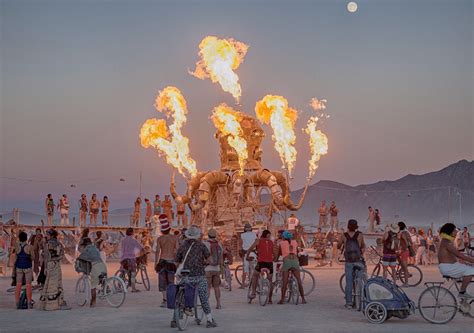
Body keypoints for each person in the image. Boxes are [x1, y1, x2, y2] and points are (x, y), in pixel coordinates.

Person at [173, 225, 217, 328]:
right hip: (199, 275)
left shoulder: (182, 245)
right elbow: (210, 260)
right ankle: (210, 320)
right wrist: (205, 262)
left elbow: (176, 261)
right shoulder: (201, 245)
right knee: (203, 297)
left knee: (179, 295)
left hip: (185, 275)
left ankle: (175, 319)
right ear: (197, 236)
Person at [437, 223, 474, 299]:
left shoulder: (447, 241)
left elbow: (454, 256)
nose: (456, 232)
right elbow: (459, 255)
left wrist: (468, 261)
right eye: (454, 230)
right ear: (450, 232)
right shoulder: (447, 242)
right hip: (448, 267)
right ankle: (462, 292)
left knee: (468, 267)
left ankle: (463, 302)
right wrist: (472, 260)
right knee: (471, 271)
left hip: (451, 265)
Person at [38, 229, 70, 310]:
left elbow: (45, 256)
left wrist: (45, 267)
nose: (46, 236)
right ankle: (58, 302)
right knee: (57, 283)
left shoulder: (47, 244)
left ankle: (49, 304)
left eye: (47, 235)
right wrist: (57, 259)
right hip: (57, 264)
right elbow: (62, 255)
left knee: (49, 283)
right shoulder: (59, 244)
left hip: (49, 264)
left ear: (51, 235)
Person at [338, 219, 365, 309]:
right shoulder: (360, 235)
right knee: (360, 280)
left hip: (349, 261)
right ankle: (360, 300)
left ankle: (349, 303)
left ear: (348, 226)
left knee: (349, 282)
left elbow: (338, 245)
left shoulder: (344, 235)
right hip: (358, 260)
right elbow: (362, 246)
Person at [276, 231, 306, 304]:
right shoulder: (295, 242)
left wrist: (276, 259)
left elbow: (279, 253)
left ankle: (282, 300)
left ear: (283, 237)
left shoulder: (281, 243)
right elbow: (297, 250)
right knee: (299, 281)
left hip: (287, 262)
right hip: (295, 261)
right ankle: (303, 299)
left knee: (285, 282)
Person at [155, 214, 178, 307]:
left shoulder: (160, 239)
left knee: (162, 282)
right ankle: (171, 299)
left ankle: (164, 300)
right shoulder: (174, 238)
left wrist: (156, 263)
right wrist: (177, 262)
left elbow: (157, 252)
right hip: (171, 261)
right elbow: (177, 250)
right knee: (171, 282)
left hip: (162, 261)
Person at [76, 237, 107, 307]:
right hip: (102, 265)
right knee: (101, 280)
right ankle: (103, 290)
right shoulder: (95, 248)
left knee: (93, 286)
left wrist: (77, 261)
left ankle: (93, 302)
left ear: (85, 244)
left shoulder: (87, 249)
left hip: (95, 267)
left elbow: (81, 257)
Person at [246, 229, 274, 304]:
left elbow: (250, 249)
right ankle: (270, 299)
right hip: (270, 263)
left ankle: (253, 293)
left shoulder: (258, 240)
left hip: (261, 262)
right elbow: (274, 252)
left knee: (255, 275)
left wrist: (247, 257)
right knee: (270, 280)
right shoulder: (271, 242)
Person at [13, 231, 35, 309]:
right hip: (27, 267)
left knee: (18, 285)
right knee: (28, 285)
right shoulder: (29, 247)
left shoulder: (16, 246)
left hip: (19, 267)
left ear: (19, 238)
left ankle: (17, 303)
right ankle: (29, 303)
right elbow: (33, 258)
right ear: (26, 238)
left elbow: (15, 258)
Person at [204, 229, 223, 309]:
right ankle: (218, 304)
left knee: (208, 287)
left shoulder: (205, 244)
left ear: (208, 235)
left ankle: (206, 304)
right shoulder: (219, 244)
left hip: (208, 268)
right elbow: (221, 256)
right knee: (216, 287)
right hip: (217, 269)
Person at [120, 228, 143, 292]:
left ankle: (120, 283)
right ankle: (133, 288)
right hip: (131, 258)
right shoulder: (133, 240)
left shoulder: (123, 240)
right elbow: (140, 247)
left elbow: (122, 249)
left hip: (123, 258)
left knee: (123, 270)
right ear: (132, 233)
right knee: (133, 273)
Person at [239, 223, 257, 288]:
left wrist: (241, 250)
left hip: (246, 253)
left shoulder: (242, 235)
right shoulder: (254, 234)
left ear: (245, 228)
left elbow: (240, 245)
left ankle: (243, 284)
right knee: (254, 268)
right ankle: (256, 283)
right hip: (253, 253)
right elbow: (256, 243)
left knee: (245, 269)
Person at [398, 221, 413, 286]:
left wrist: (402, 249)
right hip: (405, 250)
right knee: (402, 265)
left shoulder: (402, 233)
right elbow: (410, 242)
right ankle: (403, 270)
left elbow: (406, 242)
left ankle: (406, 283)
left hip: (404, 251)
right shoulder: (406, 232)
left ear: (400, 226)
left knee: (405, 267)